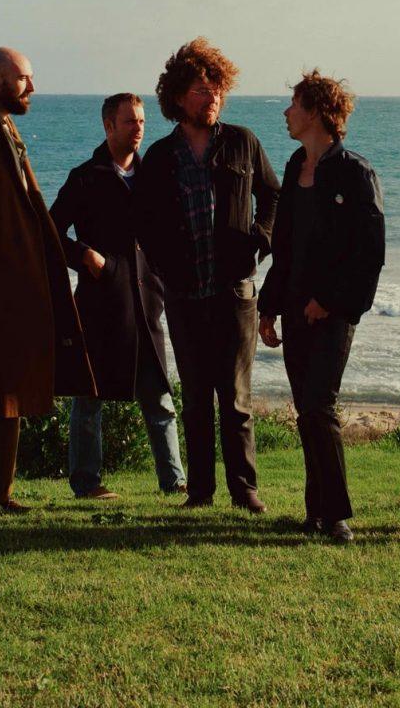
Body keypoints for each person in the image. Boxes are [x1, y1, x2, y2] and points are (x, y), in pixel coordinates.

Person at [0, 47, 96, 515]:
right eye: (24, 79)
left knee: (11, 385)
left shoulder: (4, 125)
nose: (33, 87)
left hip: (17, 279)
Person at [137, 38, 279, 512]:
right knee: (196, 398)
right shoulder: (161, 156)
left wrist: (261, 237)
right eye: (201, 89)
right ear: (179, 97)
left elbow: (273, 196)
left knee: (235, 398)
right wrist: (162, 264)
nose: (212, 96)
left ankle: (245, 490)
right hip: (184, 294)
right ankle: (200, 492)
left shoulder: (242, 141)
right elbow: (144, 221)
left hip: (235, 291)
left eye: (217, 88)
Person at [258, 71, 385, 542]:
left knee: (319, 405)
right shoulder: (296, 164)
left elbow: (369, 253)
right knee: (305, 410)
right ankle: (315, 512)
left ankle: (335, 516)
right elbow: (285, 246)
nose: (286, 113)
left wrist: (329, 301)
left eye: (294, 104)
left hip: (333, 313)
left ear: (314, 112)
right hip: (293, 306)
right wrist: (268, 307)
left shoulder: (356, 173)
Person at [50, 93, 187, 499]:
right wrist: (85, 257)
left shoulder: (154, 176)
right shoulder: (85, 177)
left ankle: (174, 480)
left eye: (142, 120)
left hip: (148, 303)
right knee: (89, 398)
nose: (139, 128)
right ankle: (86, 483)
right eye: (130, 121)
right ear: (109, 126)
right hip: (99, 304)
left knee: (159, 397)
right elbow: (49, 232)